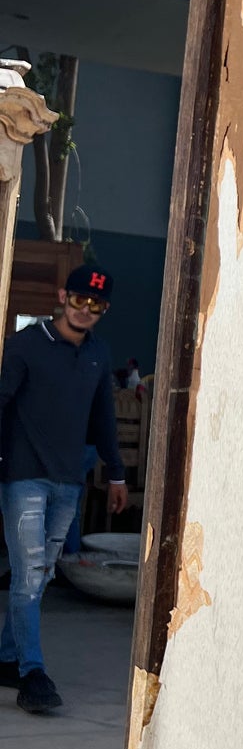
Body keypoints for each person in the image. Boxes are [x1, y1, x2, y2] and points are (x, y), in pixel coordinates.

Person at [0, 266, 128, 713]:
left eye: (96, 306)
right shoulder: (27, 346)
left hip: (68, 483)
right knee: (30, 574)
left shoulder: (97, 355)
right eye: (78, 300)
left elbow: (103, 421)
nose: (85, 311)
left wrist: (116, 473)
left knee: (40, 574)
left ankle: (5, 657)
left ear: (103, 310)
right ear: (62, 296)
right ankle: (32, 673)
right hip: (25, 477)